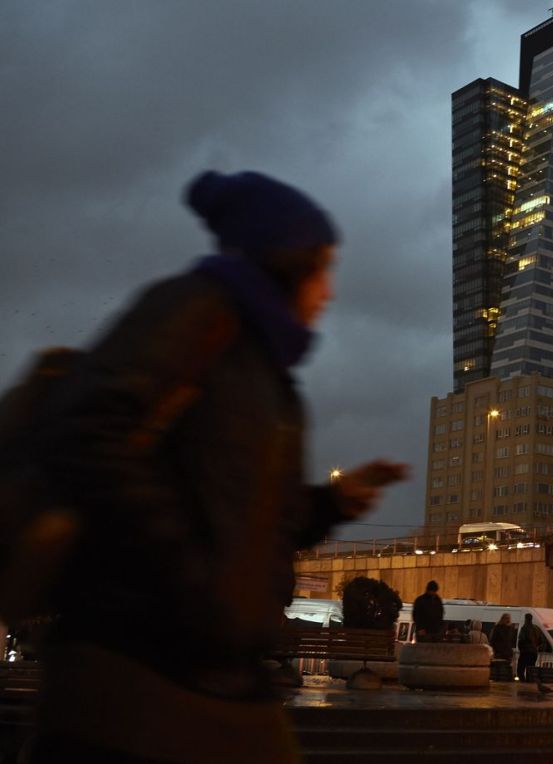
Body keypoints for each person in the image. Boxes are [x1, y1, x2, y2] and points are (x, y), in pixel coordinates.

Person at [28, 170, 408, 763]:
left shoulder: (268, 377)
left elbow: (249, 522)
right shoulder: (193, 313)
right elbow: (85, 434)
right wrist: (187, 568)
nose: (330, 291)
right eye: (322, 268)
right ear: (285, 261)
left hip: (220, 675)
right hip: (136, 674)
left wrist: (333, 503)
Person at [516, 612, 543, 681]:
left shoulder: (524, 628)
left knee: (520, 668)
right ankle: (529, 680)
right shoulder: (536, 628)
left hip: (525, 651)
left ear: (525, 619)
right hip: (534, 652)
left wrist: (521, 649)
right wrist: (536, 646)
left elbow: (521, 639)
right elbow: (541, 640)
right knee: (531, 668)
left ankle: (523, 681)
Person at [489, 613, 517, 678]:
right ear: (503, 619)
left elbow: (512, 640)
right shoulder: (499, 627)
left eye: (508, 618)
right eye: (506, 618)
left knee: (505, 668)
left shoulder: (510, 628)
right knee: (500, 667)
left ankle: (504, 678)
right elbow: (493, 640)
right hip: (500, 652)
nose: (508, 620)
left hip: (506, 652)